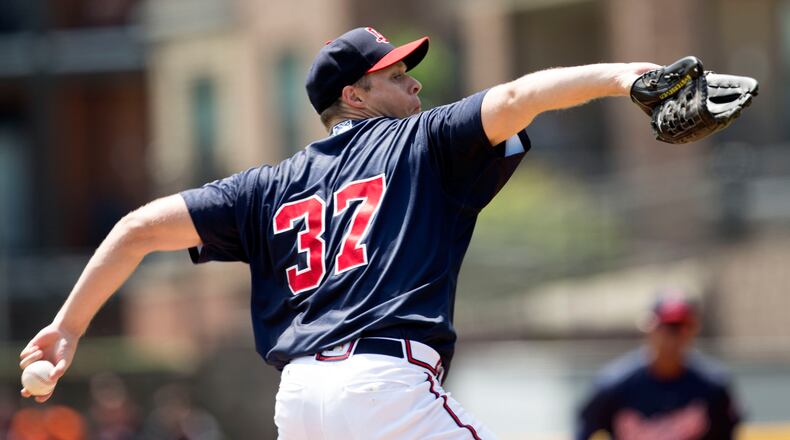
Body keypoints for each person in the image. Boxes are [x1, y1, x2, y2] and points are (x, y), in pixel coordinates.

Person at [20, 26, 657, 438]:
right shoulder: (422, 140)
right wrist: (632, 77)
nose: (413, 81)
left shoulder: (265, 186)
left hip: (299, 403)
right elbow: (521, 94)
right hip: (388, 388)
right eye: (394, 74)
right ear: (354, 96)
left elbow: (134, 229)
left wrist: (68, 327)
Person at [576, 291, 741, 440]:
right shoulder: (614, 385)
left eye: (681, 327)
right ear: (649, 327)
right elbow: (584, 430)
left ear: (692, 330)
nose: (673, 336)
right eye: (667, 327)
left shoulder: (713, 386)